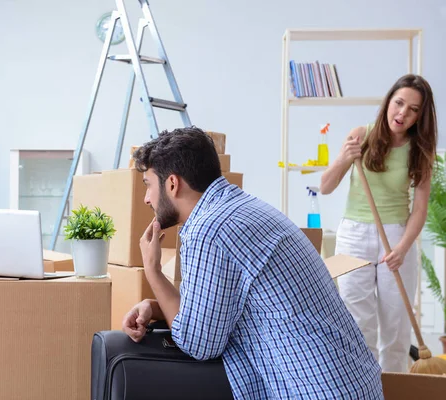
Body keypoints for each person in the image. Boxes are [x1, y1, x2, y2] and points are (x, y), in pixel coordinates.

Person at [122, 126, 383, 399]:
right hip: (352, 383)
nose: (147, 198)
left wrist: (153, 271)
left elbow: (199, 343)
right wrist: (154, 307)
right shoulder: (241, 206)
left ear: (172, 184)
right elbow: (209, 314)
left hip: (316, 390)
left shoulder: (208, 229)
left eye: (149, 185)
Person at [320, 74, 438, 373]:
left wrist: (402, 248)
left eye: (413, 109)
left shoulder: (420, 151)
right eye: (399, 103)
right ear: (389, 101)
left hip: (397, 237)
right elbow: (326, 186)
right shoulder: (361, 135)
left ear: (420, 116)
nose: (403, 113)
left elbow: (420, 209)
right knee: (358, 323)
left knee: (396, 328)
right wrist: (345, 157)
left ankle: (394, 387)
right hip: (354, 236)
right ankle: (365, 389)